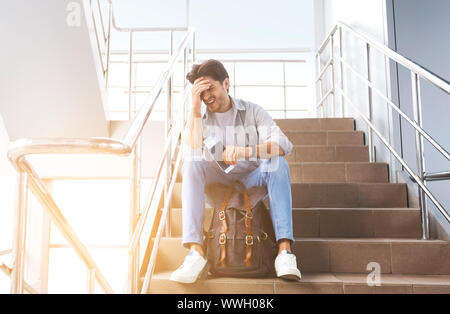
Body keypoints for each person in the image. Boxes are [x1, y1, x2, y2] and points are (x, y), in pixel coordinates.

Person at [170, 59, 301, 284]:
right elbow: (190, 149)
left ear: (226, 83)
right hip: (218, 184)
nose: (207, 96)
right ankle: (195, 252)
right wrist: (193, 107)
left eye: (210, 88)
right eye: (201, 93)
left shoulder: (252, 111)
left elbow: (282, 144)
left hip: (251, 180)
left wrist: (245, 151)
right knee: (191, 162)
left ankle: (284, 252)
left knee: (277, 163)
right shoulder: (198, 118)